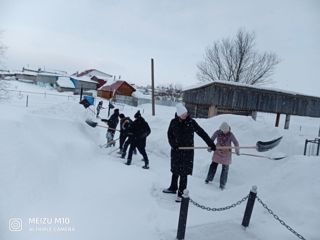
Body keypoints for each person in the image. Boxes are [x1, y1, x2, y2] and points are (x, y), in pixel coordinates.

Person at [163, 103, 216, 202]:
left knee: (183, 173)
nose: (185, 115)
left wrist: (210, 143)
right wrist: (174, 145)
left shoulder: (191, 122)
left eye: (186, 113)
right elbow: (169, 135)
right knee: (175, 170)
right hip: (176, 151)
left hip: (187, 152)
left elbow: (201, 133)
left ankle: (181, 193)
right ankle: (173, 188)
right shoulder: (173, 122)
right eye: (183, 114)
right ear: (178, 115)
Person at [205, 122, 239, 190]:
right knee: (213, 165)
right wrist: (210, 147)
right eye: (224, 131)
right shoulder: (217, 132)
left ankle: (222, 184)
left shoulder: (231, 135)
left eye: (226, 131)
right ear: (221, 129)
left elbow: (236, 142)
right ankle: (208, 178)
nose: (225, 132)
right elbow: (211, 140)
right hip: (218, 151)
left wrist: (237, 151)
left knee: (225, 169)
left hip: (227, 153)